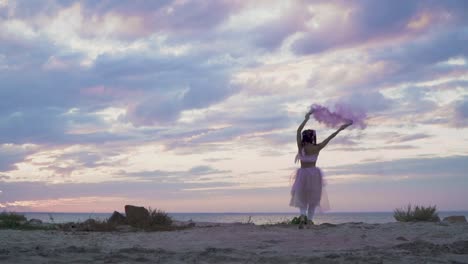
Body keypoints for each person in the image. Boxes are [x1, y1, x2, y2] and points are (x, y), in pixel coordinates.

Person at [290, 110, 352, 227]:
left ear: (304, 138)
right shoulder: (318, 147)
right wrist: (341, 128)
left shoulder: (301, 147)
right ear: (313, 137)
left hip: (302, 174)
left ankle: (302, 217)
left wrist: (306, 118)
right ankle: (309, 220)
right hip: (314, 174)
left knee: (302, 197)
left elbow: (298, 131)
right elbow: (331, 137)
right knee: (313, 199)